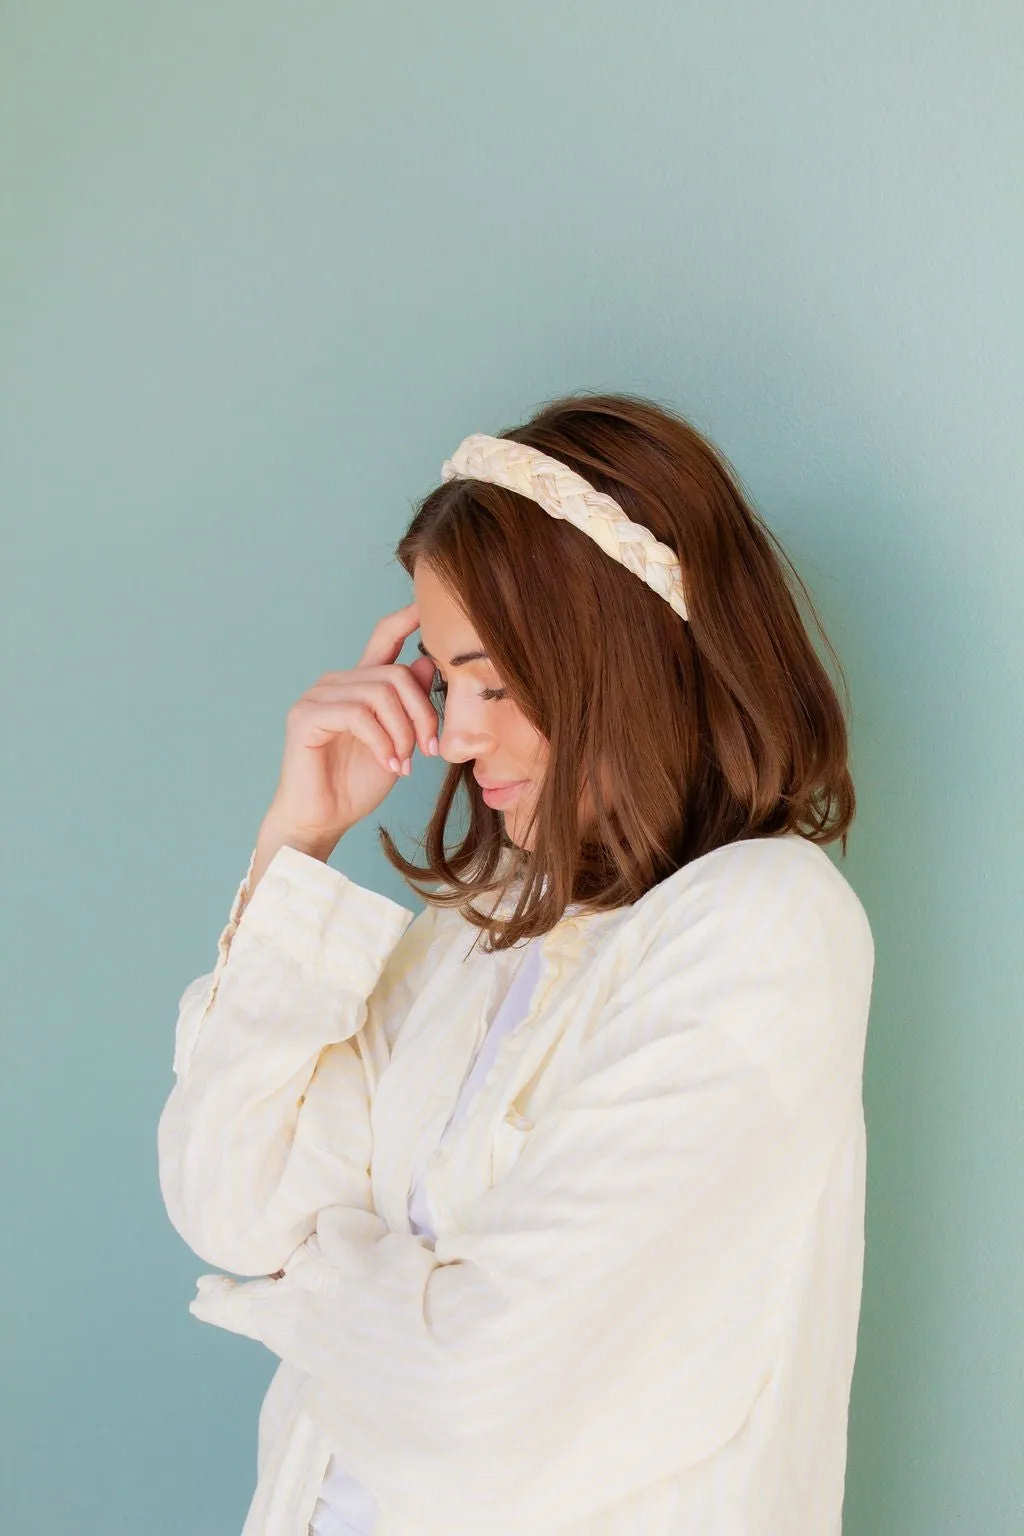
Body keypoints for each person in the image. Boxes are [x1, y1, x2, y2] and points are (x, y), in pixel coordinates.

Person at [157, 391, 875, 1536]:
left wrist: (312, 1280)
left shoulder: (767, 926)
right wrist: (292, 848)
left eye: (494, 683)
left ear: (618, 656)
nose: (451, 737)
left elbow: (479, 1405)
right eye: (447, 684)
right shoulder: (474, 935)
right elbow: (233, 1203)